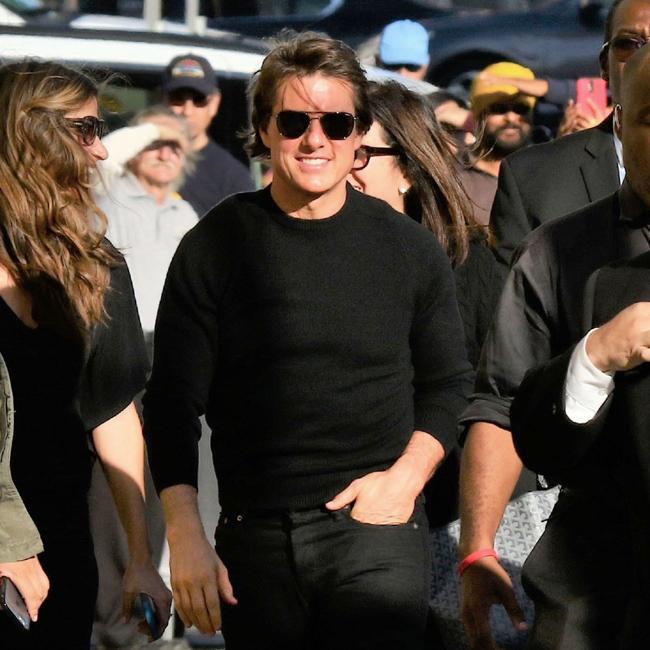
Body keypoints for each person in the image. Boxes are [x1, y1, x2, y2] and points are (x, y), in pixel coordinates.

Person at [144, 31, 471, 650]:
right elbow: (171, 402)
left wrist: (405, 479)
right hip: (254, 539)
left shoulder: (407, 249)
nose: (315, 140)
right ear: (264, 130)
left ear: (359, 135)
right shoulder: (216, 243)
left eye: (336, 123)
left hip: (375, 531)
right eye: (294, 121)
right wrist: (185, 535)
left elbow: (449, 382)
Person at [457, 2, 650, 646]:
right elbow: (505, 396)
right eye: (631, 43)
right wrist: (592, 359)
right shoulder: (554, 235)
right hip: (595, 579)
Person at [0, 59, 171, 649]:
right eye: (88, 130)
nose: (101, 152)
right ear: (34, 134)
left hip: (62, 540)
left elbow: (113, 410)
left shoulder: (96, 266)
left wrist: (139, 559)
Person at [510, 49, 650, 646]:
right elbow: (518, 421)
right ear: (618, 123)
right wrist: (593, 360)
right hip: (601, 600)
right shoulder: (559, 251)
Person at [347, 80, 500, 533]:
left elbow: (492, 397)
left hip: (443, 511)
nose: (343, 167)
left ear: (408, 172)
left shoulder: (468, 264)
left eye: (361, 154)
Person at [90, 106, 198, 649]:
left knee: (161, 491)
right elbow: (109, 157)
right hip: (119, 351)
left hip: (169, 358)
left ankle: (144, 622)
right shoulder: (109, 191)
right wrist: (157, 129)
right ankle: (112, 625)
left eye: (176, 147)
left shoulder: (184, 211)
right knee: (114, 491)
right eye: (155, 144)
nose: (164, 152)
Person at [163, 53, 254, 217]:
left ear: (214, 103)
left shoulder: (232, 177)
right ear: (163, 100)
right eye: (177, 99)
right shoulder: (138, 160)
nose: (187, 111)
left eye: (199, 99)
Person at [460, 62, 535, 227]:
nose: (511, 118)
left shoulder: (546, 167)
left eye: (520, 108)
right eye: (499, 108)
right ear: (479, 115)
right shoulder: (454, 174)